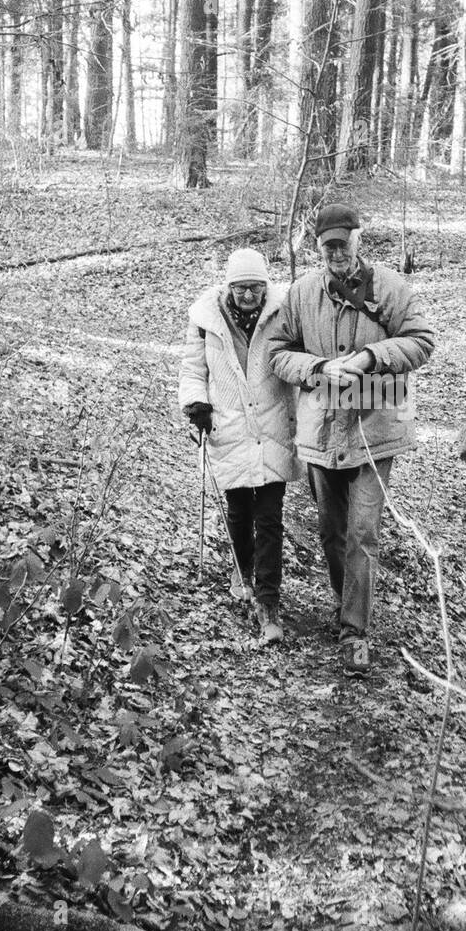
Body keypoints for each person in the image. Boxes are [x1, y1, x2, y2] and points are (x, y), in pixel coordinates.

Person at [268, 203, 434, 674]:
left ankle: (353, 632)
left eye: (344, 242)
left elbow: (422, 340)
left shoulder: (391, 289)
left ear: (359, 240)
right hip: (321, 430)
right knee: (330, 531)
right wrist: (319, 368)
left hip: (374, 431)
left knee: (363, 532)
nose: (337, 252)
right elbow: (278, 354)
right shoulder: (301, 295)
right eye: (328, 246)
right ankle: (347, 604)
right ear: (318, 248)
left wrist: (370, 358)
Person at [178, 248, 301, 645]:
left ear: (266, 286)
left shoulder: (284, 312)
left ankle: (269, 602)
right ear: (228, 286)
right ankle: (241, 568)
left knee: (269, 517)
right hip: (228, 426)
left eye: (255, 287)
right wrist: (196, 403)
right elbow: (193, 368)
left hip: (272, 427)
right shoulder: (205, 321)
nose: (249, 295)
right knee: (238, 511)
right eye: (241, 287)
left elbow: (298, 358)